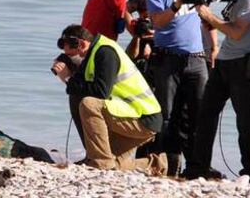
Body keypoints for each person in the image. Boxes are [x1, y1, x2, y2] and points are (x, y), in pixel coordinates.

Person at [51, 24, 166, 174]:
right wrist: (69, 75)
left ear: (81, 44)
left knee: (89, 104)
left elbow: (101, 92)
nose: (72, 59)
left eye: (71, 55)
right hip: (128, 115)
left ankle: (99, 162)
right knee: (113, 162)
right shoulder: (91, 55)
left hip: (143, 118)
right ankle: (156, 165)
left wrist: (68, 77)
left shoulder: (105, 52)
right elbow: (77, 88)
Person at [184, 0, 250, 181]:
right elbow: (223, 26)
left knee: (246, 120)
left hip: (243, 66)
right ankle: (198, 167)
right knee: (205, 114)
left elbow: (236, 32)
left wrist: (210, 17)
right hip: (224, 62)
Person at [145, 0, 208, 176]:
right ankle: (170, 165)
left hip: (196, 57)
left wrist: (213, 47)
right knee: (166, 116)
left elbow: (206, 14)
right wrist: (177, 4)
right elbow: (158, 22)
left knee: (199, 113)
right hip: (168, 58)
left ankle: (197, 166)